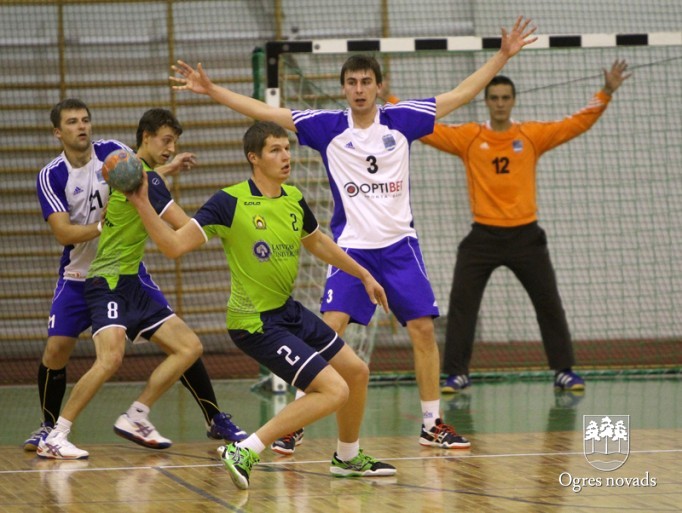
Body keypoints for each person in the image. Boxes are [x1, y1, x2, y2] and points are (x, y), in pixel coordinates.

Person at [169, 16, 537, 452]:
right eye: (351, 82)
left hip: (400, 247)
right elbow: (267, 113)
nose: (359, 89)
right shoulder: (327, 126)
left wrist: (502, 56)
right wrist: (212, 90)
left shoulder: (403, 119)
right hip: (352, 249)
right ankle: (296, 421)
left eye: (366, 81)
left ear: (379, 87)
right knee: (331, 328)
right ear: (343, 88)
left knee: (422, 328)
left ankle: (431, 423)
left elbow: (460, 94)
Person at [127, 120, 396, 490]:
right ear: (254, 158)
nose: (285, 156)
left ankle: (347, 457)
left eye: (287, 148)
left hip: (287, 311)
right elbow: (174, 246)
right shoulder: (229, 202)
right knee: (334, 390)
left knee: (356, 372)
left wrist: (363, 274)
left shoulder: (293, 199)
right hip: (254, 322)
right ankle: (245, 450)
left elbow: (317, 242)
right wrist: (142, 202)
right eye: (275, 150)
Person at [382, 60, 631, 393]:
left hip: (526, 236)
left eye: (505, 98)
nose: (500, 103)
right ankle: (456, 374)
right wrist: (389, 99)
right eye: (494, 98)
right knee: (462, 304)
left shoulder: (530, 136)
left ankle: (564, 371)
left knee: (549, 303)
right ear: (486, 101)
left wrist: (606, 92)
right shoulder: (470, 137)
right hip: (483, 237)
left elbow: (575, 123)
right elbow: (427, 130)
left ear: (513, 101)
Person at [35, 106, 245, 460]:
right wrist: (230, 223)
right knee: (109, 359)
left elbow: (143, 180)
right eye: (166, 141)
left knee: (189, 347)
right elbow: (184, 228)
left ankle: (137, 415)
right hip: (106, 279)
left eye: (174, 143)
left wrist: (167, 169)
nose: (171, 148)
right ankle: (56, 434)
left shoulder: (135, 173)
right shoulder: (139, 178)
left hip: (131, 278)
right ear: (145, 138)